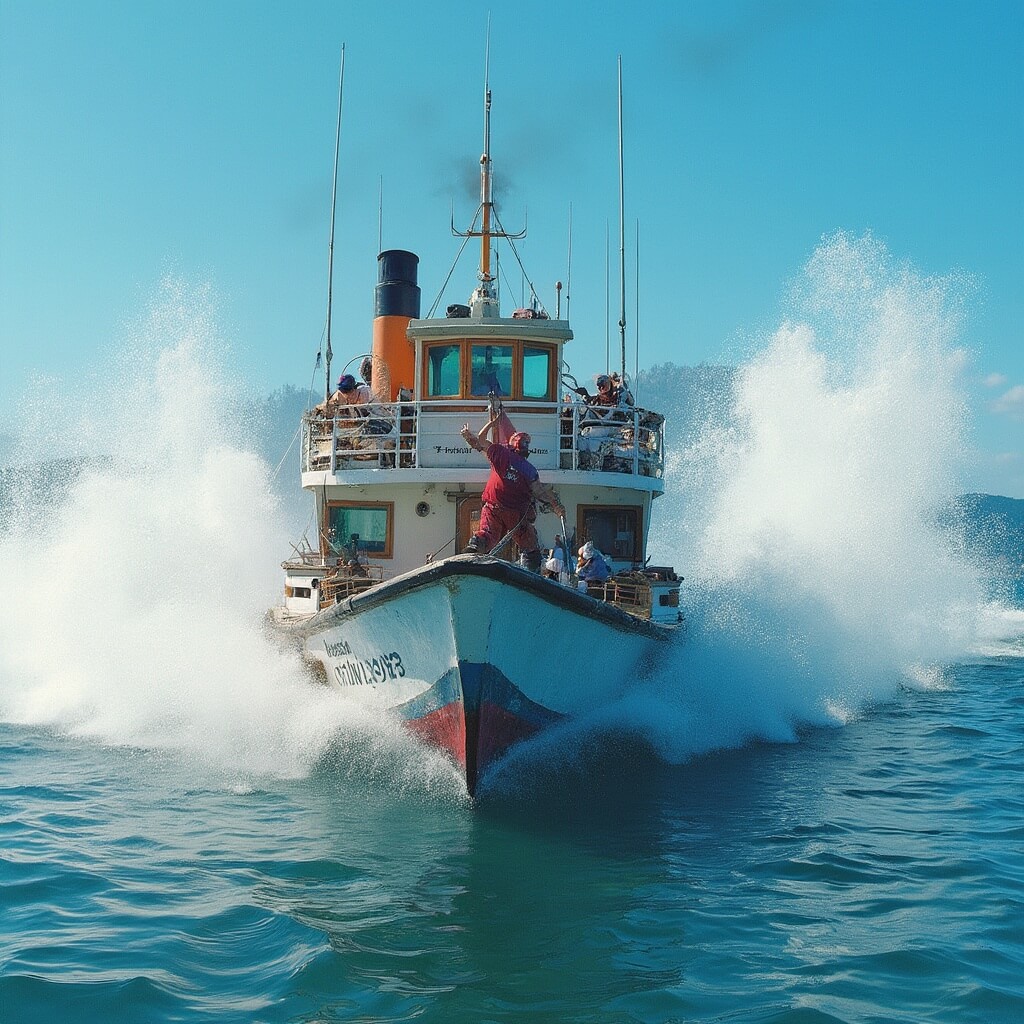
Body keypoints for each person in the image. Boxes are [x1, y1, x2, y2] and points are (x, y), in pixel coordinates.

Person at [459, 413, 565, 572]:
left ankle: (473, 550)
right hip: (515, 514)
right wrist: (557, 506)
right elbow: (540, 492)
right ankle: (531, 571)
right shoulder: (529, 469)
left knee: (487, 535)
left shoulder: (501, 454)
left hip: (493, 507)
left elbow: (480, 442)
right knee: (529, 544)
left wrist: (489, 424)